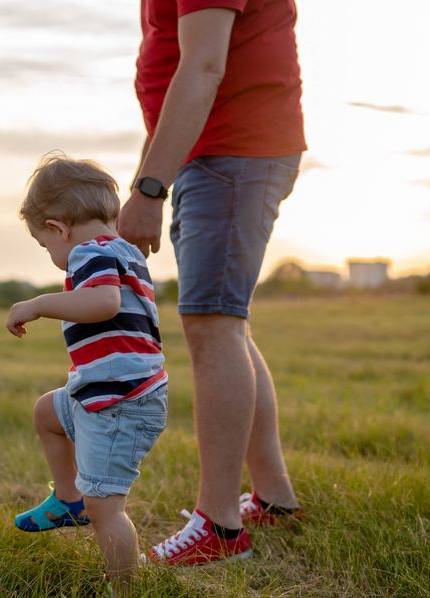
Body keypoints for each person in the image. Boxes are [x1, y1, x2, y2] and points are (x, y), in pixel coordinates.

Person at [118, 0, 306, 566]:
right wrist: (147, 177)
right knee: (226, 325)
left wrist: (150, 189)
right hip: (217, 152)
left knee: (213, 325)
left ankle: (220, 527)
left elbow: (203, 66)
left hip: (231, 149)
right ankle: (273, 498)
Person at [7, 153, 170, 591]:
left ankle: (125, 588)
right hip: (100, 393)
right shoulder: (122, 250)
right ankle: (67, 499)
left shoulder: (88, 253)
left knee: (108, 509)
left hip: (120, 402)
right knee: (47, 413)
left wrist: (39, 304)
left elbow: (104, 304)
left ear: (58, 228)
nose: (52, 256)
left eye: (46, 246)